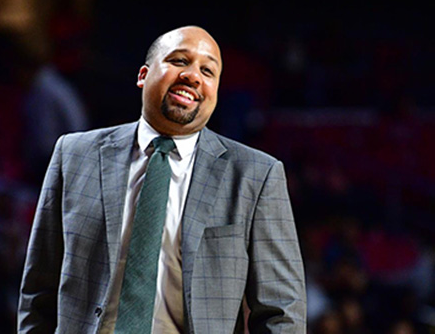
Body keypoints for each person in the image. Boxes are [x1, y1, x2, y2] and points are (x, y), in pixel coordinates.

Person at [18, 26, 306, 333]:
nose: (193, 76)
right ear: (143, 75)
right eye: (180, 61)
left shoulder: (255, 175)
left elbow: (281, 312)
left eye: (207, 70)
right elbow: (38, 292)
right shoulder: (74, 155)